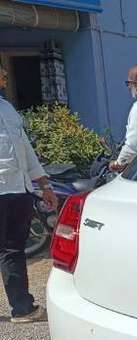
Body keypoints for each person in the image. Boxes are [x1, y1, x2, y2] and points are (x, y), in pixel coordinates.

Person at [0, 67, 59, 323]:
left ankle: (22, 308)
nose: (4, 74)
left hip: (18, 190)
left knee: (13, 249)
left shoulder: (7, 109)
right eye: (0, 71)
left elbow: (25, 149)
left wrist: (44, 185)